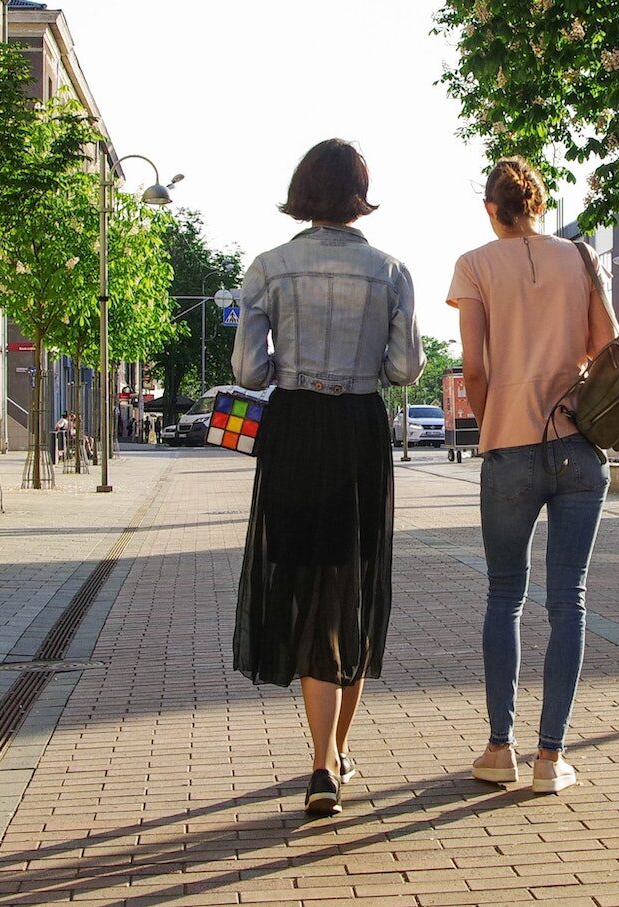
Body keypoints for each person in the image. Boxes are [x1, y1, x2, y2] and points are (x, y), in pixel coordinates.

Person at [232, 138, 425, 817]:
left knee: (309, 585)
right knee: (354, 585)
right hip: (357, 434)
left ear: (303, 191)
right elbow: (404, 370)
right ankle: (335, 754)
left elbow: (250, 373)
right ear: (357, 194)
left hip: (295, 432)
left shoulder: (268, 268)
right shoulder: (392, 271)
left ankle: (321, 762)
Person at [448, 157, 617, 795]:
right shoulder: (579, 257)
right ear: (538, 205)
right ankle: (552, 758)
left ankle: (500, 749)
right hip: (579, 444)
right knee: (568, 600)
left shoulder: (474, 265)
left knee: (503, 597)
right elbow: (607, 347)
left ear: (492, 208)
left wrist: (496, 427)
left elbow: (475, 367)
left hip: (510, 447)